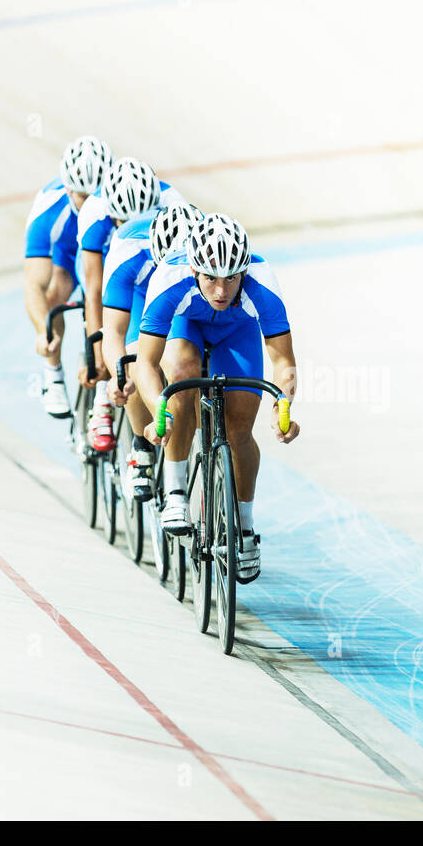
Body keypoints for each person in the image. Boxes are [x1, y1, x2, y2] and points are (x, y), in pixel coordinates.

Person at [134, 213, 299, 583]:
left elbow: (283, 361)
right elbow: (145, 362)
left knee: (239, 429)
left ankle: (243, 527)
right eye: (210, 278)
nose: (221, 291)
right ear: (194, 271)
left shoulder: (263, 285)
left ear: (245, 272)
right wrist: (158, 410)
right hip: (187, 326)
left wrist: (282, 405)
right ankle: (176, 489)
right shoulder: (170, 280)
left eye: (231, 278)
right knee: (180, 374)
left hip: (237, 334)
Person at [92, 203, 204, 505]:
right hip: (144, 297)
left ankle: (196, 445)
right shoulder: (127, 250)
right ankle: (141, 445)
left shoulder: (205, 245)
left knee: (188, 364)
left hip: (191, 297)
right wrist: (118, 374)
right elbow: (113, 330)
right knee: (133, 360)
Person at [74, 158, 186, 406]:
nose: (137, 232)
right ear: (113, 216)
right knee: (126, 362)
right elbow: (94, 291)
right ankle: (105, 407)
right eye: (127, 224)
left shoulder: (174, 203)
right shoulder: (94, 213)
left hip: (160, 262)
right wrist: (100, 356)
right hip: (113, 263)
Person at [22, 135, 112, 417]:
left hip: (106, 250)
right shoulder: (48, 211)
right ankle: (53, 374)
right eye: (82, 197)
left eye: (96, 196)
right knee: (55, 293)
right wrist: (42, 330)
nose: (89, 205)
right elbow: (33, 284)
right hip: (69, 251)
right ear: (68, 189)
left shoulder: (119, 199)